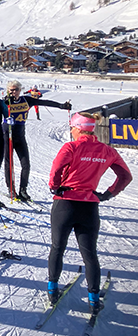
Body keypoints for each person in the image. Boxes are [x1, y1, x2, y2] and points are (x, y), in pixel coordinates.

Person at [47, 112, 132, 313]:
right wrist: (107, 194)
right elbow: (125, 176)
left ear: (78, 128)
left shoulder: (71, 146)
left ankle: (52, 290)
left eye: (72, 128)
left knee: (57, 247)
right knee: (90, 254)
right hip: (89, 206)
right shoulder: (106, 150)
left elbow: (56, 168)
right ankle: (94, 299)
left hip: (65, 204)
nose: (70, 131)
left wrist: (55, 186)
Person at [3, 80, 72, 201]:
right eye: (11, 90)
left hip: (20, 135)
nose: (13, 92)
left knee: (26, 164)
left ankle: (23, 190)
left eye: (15, 90)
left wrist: (61, 106)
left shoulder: (26, 100)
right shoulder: (4, 102)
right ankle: (11, 190)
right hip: (7, 135)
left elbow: (43, 102)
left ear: (20, 90)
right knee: (9, 163)